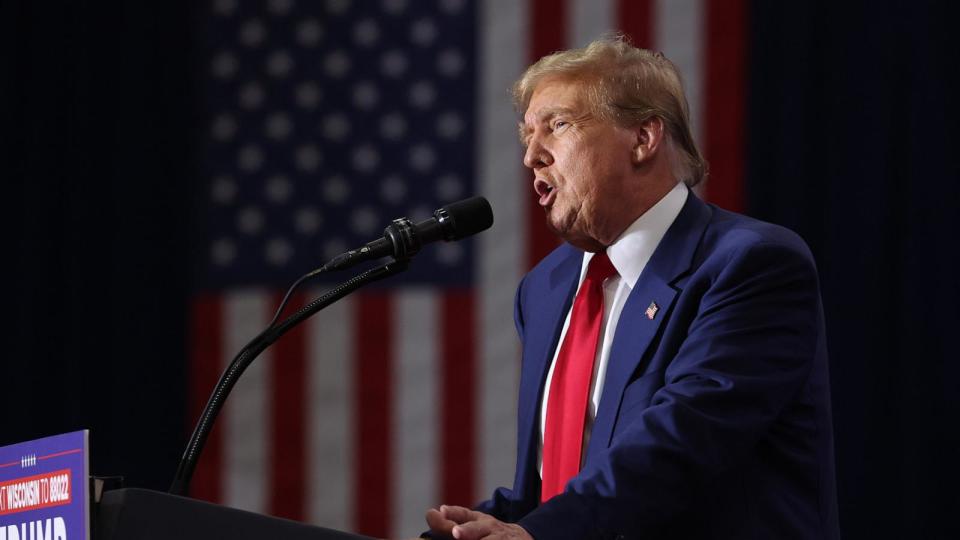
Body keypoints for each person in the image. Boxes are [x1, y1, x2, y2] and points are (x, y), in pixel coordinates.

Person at [423, 35, 840, 540]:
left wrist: (541, 534)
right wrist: (493, 524)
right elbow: (557, 481)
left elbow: (682, 442)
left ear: (643, 139)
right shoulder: (545, 289)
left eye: (558, 126)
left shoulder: (749, 265)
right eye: (526, 136)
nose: (532, 156)